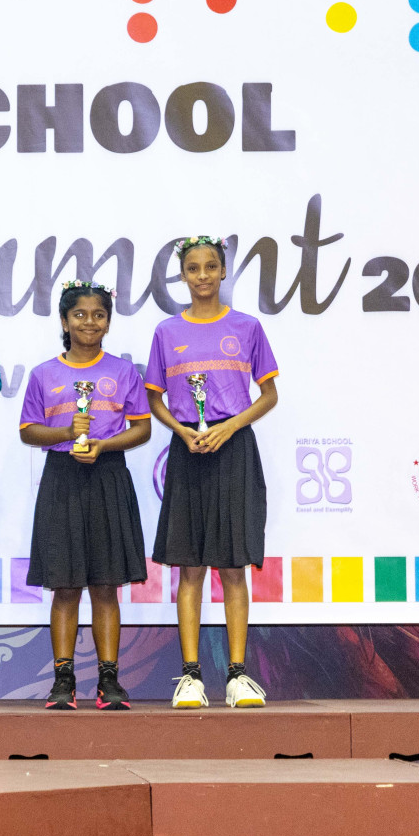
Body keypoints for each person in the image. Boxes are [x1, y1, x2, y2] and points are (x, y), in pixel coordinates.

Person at [146, 236, 279, 709]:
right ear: (182, 276)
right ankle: (190, 677)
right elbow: (154, 400)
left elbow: (268, 395)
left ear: (223, 273)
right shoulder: (166, 331)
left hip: (233, 447)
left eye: (210, 267)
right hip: (189, 448)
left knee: (233, 565)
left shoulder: (247, 327)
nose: (202, 275)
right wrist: (183, 432)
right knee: (190, 566)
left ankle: (238, 676)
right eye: (192, 268)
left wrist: (230, 428)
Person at [19, 281, 151, 710]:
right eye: (79, 314)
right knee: (65, 586)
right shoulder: (44, 374)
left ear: (108, 322)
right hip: (61, 478)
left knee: (106, 585)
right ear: (64, 320)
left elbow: (142, 428)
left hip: (108, 476)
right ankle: (63, 679)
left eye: (98, 314)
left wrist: (104, 445)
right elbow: (27, 431)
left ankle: (108, 680)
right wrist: (65, 434)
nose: (89, 322)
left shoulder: (124, 371)